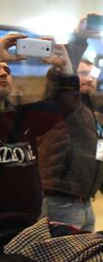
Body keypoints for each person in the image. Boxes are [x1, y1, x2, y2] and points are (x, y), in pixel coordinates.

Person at [0, 33, 79, 246]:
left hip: (26, 230)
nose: (3, 72)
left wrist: (65, 70)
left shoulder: (23, 118)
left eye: (7, 69)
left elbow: (65, 105)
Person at [39, 58, 103, 231]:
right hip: (60, 203)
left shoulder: (97, 119)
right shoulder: (60, 109)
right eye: (83, 73)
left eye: (93, 74)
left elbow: (100, 164)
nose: (90, 79)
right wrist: (63, 65)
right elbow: (58, 89)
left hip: (84, 204)